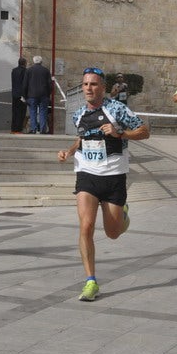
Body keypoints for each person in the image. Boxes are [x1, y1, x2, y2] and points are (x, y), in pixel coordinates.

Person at [57, 67, 150, 302]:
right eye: (86, 84)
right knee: (86, 226)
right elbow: (82, 138)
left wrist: (120, 132)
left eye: (94, 84)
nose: (89, 88)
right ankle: (91, 281)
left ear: (103, 88)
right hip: (87, 174)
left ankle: (123, 215)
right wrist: (68, 151)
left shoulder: (117, 109)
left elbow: (144, 131)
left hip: (113, 176)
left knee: (112, 233)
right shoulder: (78, 113)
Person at [21, 55, 52, 134]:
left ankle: (33, 129)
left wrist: (24, 96)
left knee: (32, 112)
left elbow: (25, 84)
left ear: (33, 61)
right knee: (43, 112)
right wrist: (48, 95)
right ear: (41, 62)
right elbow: (50, 84)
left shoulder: (28, 70)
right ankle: (42, 129)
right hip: (44, 95)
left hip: (32, 95)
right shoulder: (46, 71)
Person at [10, 57, 28, 133]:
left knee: (15, 112)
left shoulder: (14, 71)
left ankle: (13, 129)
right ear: (24, 63)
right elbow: (25, 84)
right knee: (21, 112)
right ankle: (18, 129)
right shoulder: (25, 71)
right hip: (22, 95)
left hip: (14, 94)